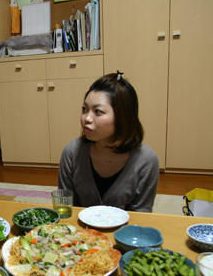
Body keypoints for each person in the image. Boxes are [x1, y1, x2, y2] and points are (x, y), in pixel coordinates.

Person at [58, 71, 159, 212]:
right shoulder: (72, 152)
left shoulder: (147, 160)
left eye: (98, 111)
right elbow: (65, 208)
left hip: (124, 232)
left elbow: (142, 215)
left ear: (122, 117)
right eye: (84, 109)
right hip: (81, 232)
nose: (86, 118)